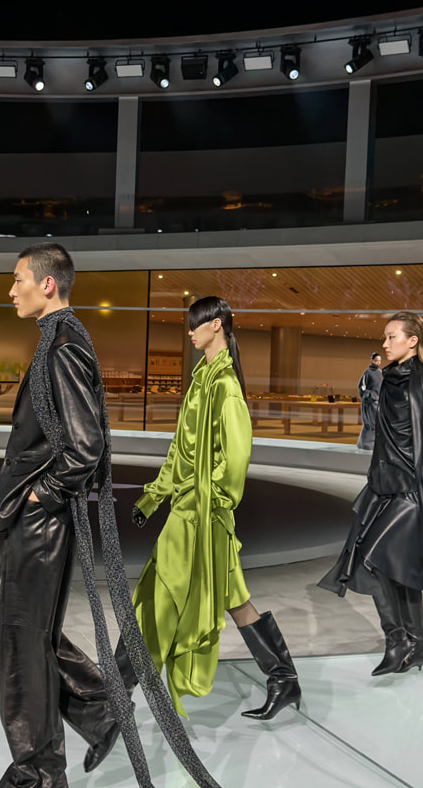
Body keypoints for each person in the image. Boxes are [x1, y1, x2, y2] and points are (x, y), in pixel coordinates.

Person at [0, 243, 119, 788]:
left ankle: (39, 773)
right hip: (39, 518)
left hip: (41, 518)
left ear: (48, 286)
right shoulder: (60, 339)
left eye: (17, 280)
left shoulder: (61, 346)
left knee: (19, 640)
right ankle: (98, 706)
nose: (10, 290)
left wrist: (45, 492)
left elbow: (86, 446)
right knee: (7, 627)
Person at [128, 296, 301, 720]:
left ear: (218, 325)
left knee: (160, 591)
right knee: (232, 597)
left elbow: (236, 456)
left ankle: (120, 685)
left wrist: (208, 499)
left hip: (203, 514)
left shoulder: (224, 385)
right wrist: (153, 497)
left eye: (197, 324)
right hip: (193, 510)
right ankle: (284, 679)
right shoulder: (201, 379)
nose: (190, 331)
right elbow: (180, 451)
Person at [319, 310, 423, 675]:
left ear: (412, 341)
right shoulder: (387, 381)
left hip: (412, 496)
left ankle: (397, 640)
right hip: (381, 489)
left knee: (373, 558)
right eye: (384, 338)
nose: (384, 344)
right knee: (394, 566)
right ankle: (418, 645)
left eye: (391, 337)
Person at [357, 352, 383, 451]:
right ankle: (367, 443)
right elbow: (361, 387)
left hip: (377, 400)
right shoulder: (367, 373)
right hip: (369, 401)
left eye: (380, 361)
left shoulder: (380, 372)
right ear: (371, 360)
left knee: (376, 422)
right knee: (370, 422)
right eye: (376, 361)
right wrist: (367, 397)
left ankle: (366, 442)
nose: (378, 363)